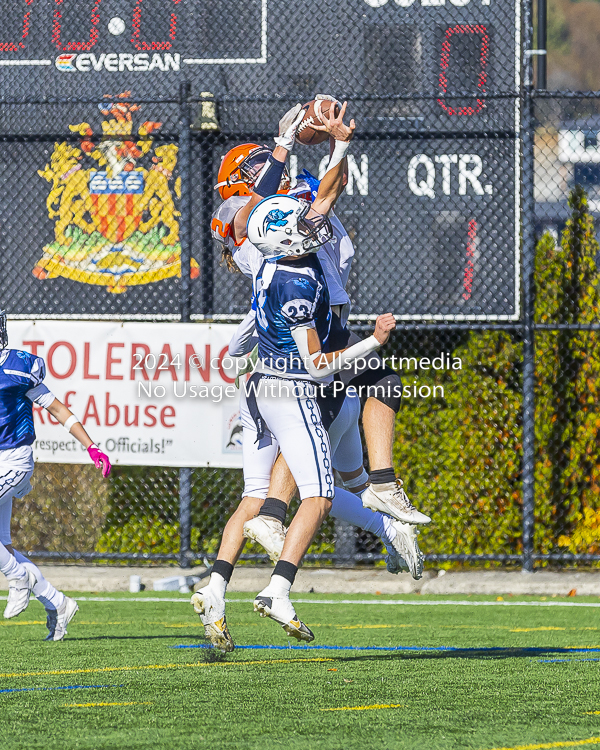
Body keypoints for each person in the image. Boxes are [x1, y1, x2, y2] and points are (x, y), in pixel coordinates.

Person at [211, 97, 430, 527]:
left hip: (325, 309)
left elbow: (333, 187)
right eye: (253, 165)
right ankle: (365, 488)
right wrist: (283, 143)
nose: (266, 166)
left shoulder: (290, 194)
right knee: (364, 388)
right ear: (239, 180)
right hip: (303, 313)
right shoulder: (238, 213)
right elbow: (251, 212)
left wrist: (338, 145)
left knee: (329, 409)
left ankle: (279, 517)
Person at [0, 311, 111, 640]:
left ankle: (18, 579)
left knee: (9, 559)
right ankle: (57, 602)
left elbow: (58, 409)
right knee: (4, 545)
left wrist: (91, 447)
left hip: (14, 461)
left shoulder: (14, 369)